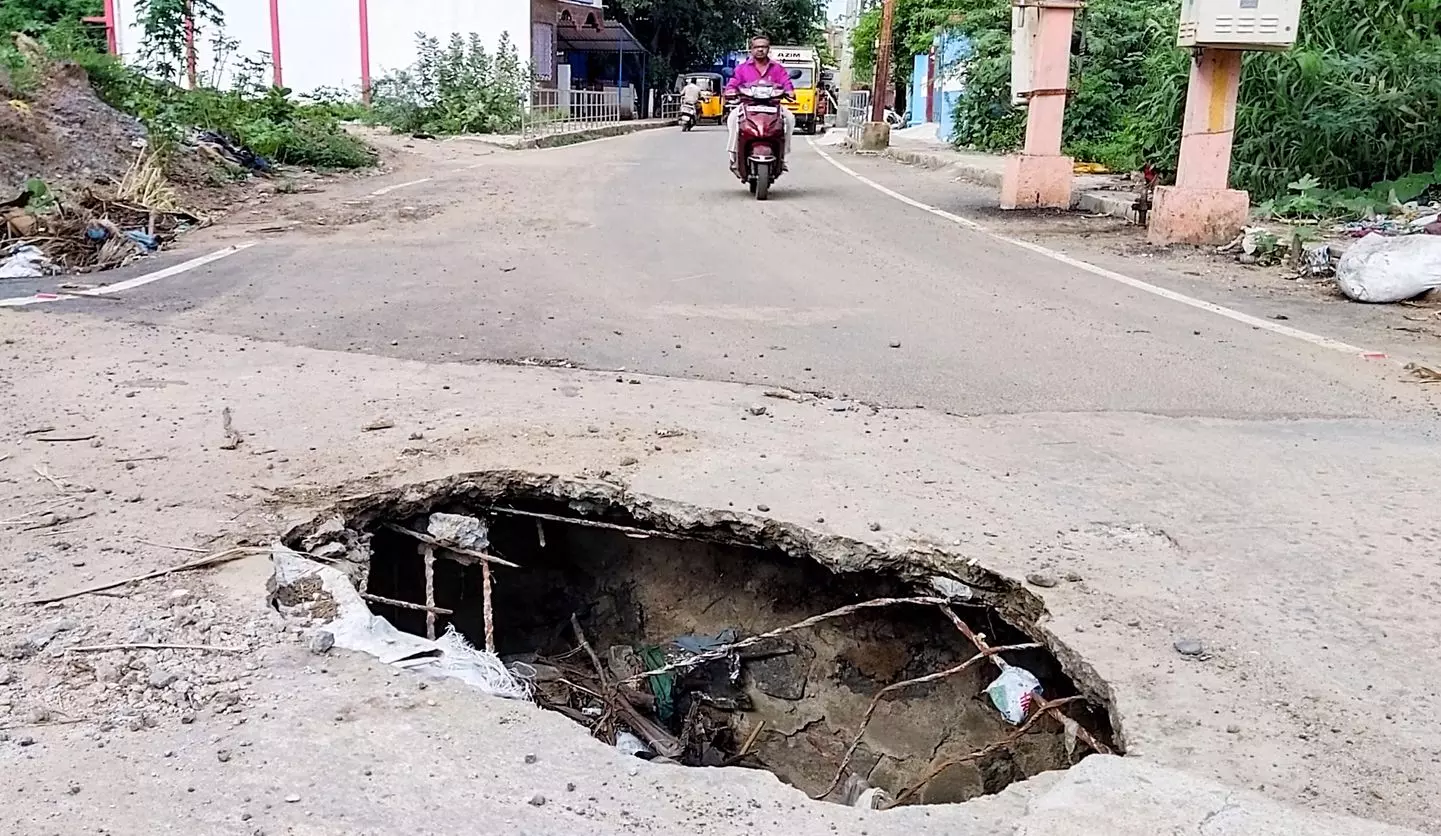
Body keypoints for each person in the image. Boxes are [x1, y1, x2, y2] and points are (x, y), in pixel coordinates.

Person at [724, 35, 796, 172]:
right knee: (733, 118)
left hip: (773, 105)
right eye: (757, 47)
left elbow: (786, 82)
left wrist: (789, 91)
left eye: (763, 47)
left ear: (768, 49)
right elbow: (733, 83)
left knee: (790, 118)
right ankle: (733, 155)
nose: (760, 50)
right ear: (751, 49)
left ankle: (783, 156)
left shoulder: (777, 68)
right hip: (748, 105)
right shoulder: (742, 68)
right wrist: (730, 91)